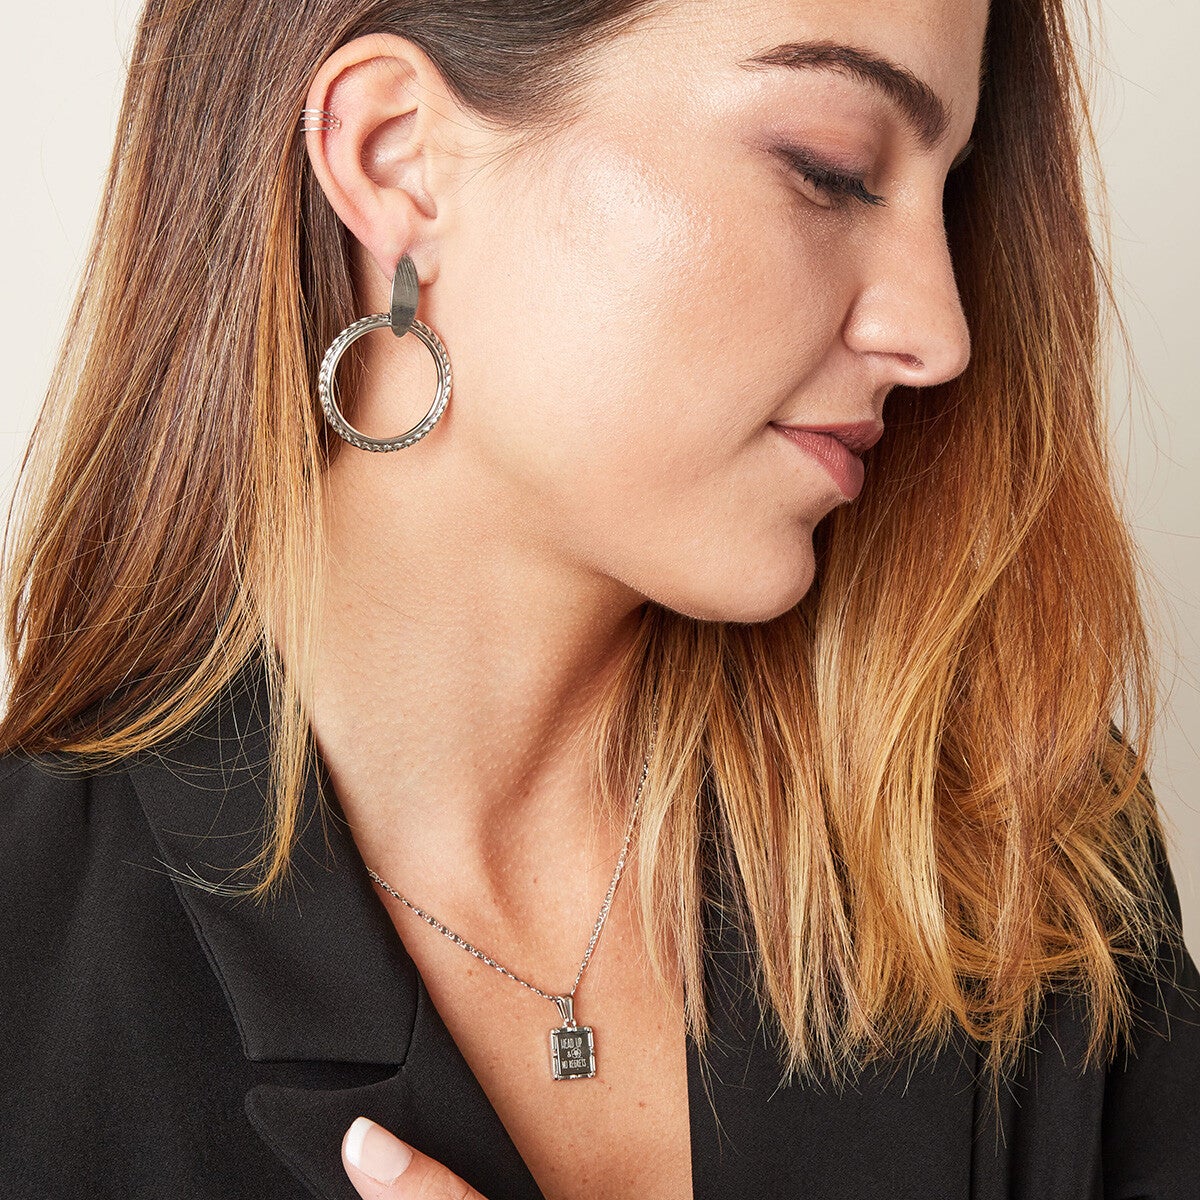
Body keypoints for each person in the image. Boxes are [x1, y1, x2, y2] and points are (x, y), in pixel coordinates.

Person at [1, 0, 1197, 1197]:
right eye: (828, 169)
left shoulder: (1024, 852)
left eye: (953, 194)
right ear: (398, 157)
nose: (938, 332)